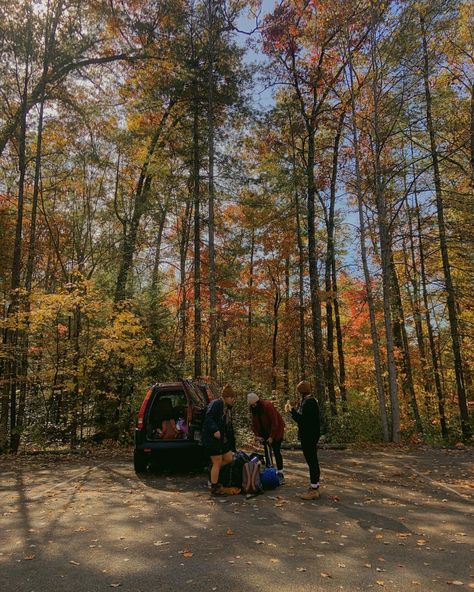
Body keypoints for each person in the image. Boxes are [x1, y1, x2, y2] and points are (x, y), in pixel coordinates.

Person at [285, 380, 321, 500]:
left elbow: (302, 420)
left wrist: (292, 411)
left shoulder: (308, 403)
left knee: (312, 461)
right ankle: (314, 486)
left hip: (309, 436)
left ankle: (314, 489)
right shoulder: (310, 401)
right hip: (312, 435)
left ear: (301, 392)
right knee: (313, 461)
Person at [202, 384, 236, 495]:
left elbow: (229, 428)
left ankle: (212, 474)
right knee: (217, 461)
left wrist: (232, 445)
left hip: (221, 440)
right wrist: (215, 430)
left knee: (229, 458)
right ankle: (214, 487)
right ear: (226, 397)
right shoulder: (216, 404)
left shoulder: (228, 409)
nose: (233, 400)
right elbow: (208, 417)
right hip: (211, 438)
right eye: (231, 397)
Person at [247, 392, 285, 481]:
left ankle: (280, 472)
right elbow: (254, 424)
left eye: (254, 404)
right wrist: (257, 435)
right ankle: (270, 469)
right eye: (251, 405)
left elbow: (274, 422)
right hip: (265, 431)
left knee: (276, 450)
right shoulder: (254, 410)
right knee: (267, 450)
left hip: (277, 430)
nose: (253, 406)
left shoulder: (268, 406)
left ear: (258, 402)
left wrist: (272, 437)